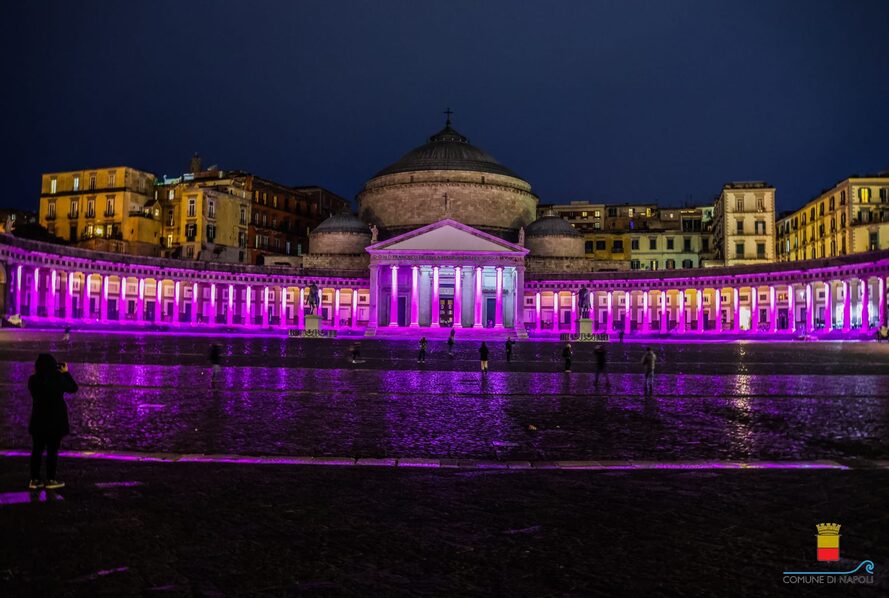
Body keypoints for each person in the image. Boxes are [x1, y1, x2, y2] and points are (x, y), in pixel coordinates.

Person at [28, 354, 78, 490]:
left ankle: (34, 479)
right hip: (55, 421)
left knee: (37, 450)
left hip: (38, 419)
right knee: (52, 451)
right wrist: (66, 373)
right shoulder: (58, 379)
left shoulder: (33, 380)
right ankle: (50, 479)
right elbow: (73, 388)